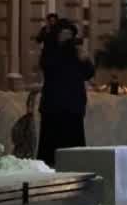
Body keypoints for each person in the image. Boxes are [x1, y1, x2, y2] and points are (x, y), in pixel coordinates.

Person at [38, 20, 95, 166]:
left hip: (73, 106)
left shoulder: (76, 51)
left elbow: (88, 74)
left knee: (73, 144)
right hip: (54, 107)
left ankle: (75, 168)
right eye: (64, 33)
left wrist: (86, 59)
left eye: (70, 34)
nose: (68, 37)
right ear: (57, 35)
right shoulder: (50, 50)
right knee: (51, 145)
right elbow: (49, 68)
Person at [12, 89, 41, 159]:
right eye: (30, 103)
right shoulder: (22, 123)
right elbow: (16, 139)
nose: (31, 106)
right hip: (26, 160)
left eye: (34, 103)